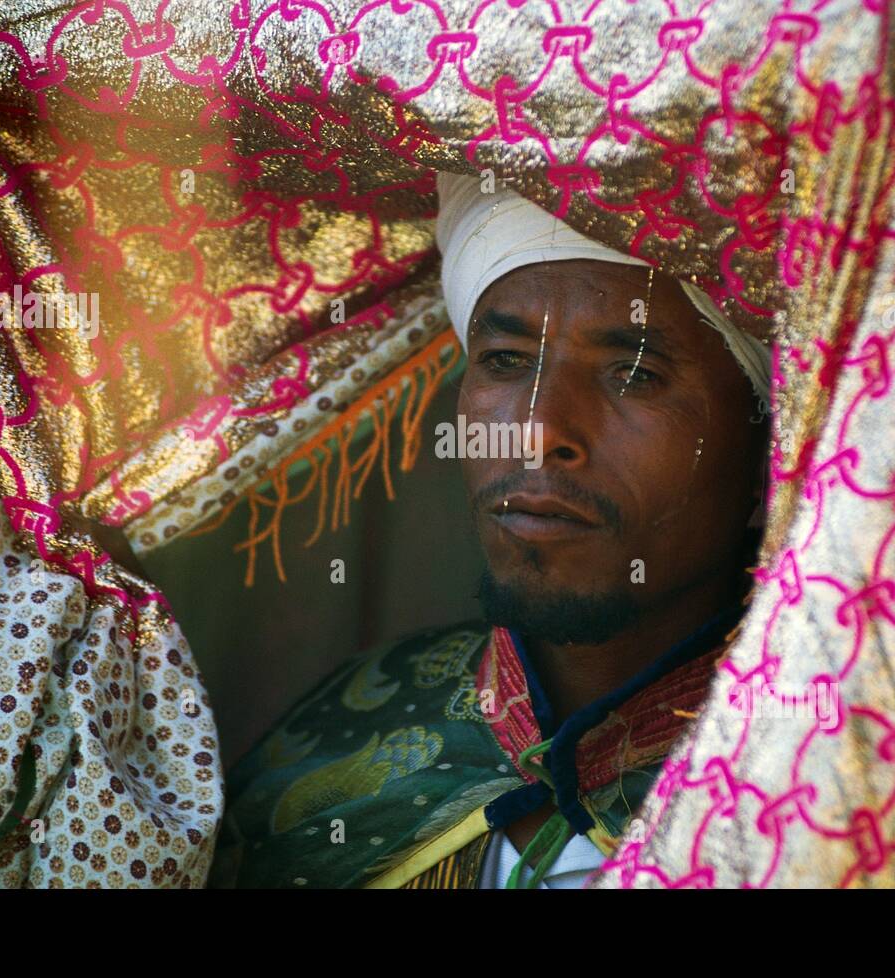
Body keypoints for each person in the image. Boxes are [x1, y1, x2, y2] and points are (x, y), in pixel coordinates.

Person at [208, 172, 773, 888]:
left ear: (770, 449)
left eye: (633, 375)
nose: (537, 433)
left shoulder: (847, 778)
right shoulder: (339, 737)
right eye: (505, 362)